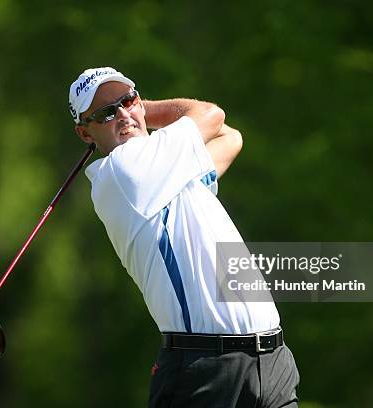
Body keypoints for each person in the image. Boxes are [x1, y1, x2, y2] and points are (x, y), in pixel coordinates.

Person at [68, 67, 299, 408]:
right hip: (204, 370)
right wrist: (142, 110)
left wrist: (134, 113)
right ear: (85, 133)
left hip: (271, 362)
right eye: (105, 113)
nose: (122, 113)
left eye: (127, 99)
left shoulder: (169, 171)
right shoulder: (124, 171)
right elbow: (212, 115)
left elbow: (230, 138)